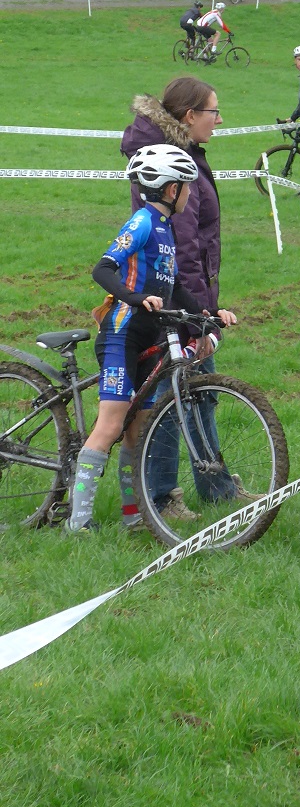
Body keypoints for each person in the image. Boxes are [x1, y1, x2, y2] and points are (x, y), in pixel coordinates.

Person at [121, 77, 242, 519]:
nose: (220, 119)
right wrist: (198, 319)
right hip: (171, 297)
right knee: (175, 397)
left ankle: (216, 487)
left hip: (185, 295)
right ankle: (161, 498)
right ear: (189, 116)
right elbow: (184, 246)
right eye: (213, 111)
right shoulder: (173, 163)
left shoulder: (182, 153)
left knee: (197, 393)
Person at [66, 145, 204, 532]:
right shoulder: (143, 221)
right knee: (110, 426)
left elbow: (172, 284)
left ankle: (133, 517)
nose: (190, 194)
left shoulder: (166, 229)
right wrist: (136, 298)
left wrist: (206, 314)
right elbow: (103, 269)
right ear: (169, 189)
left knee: (137, 432)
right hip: (121, 334)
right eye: (186, 187)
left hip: (149, 337)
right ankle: (78, 524)